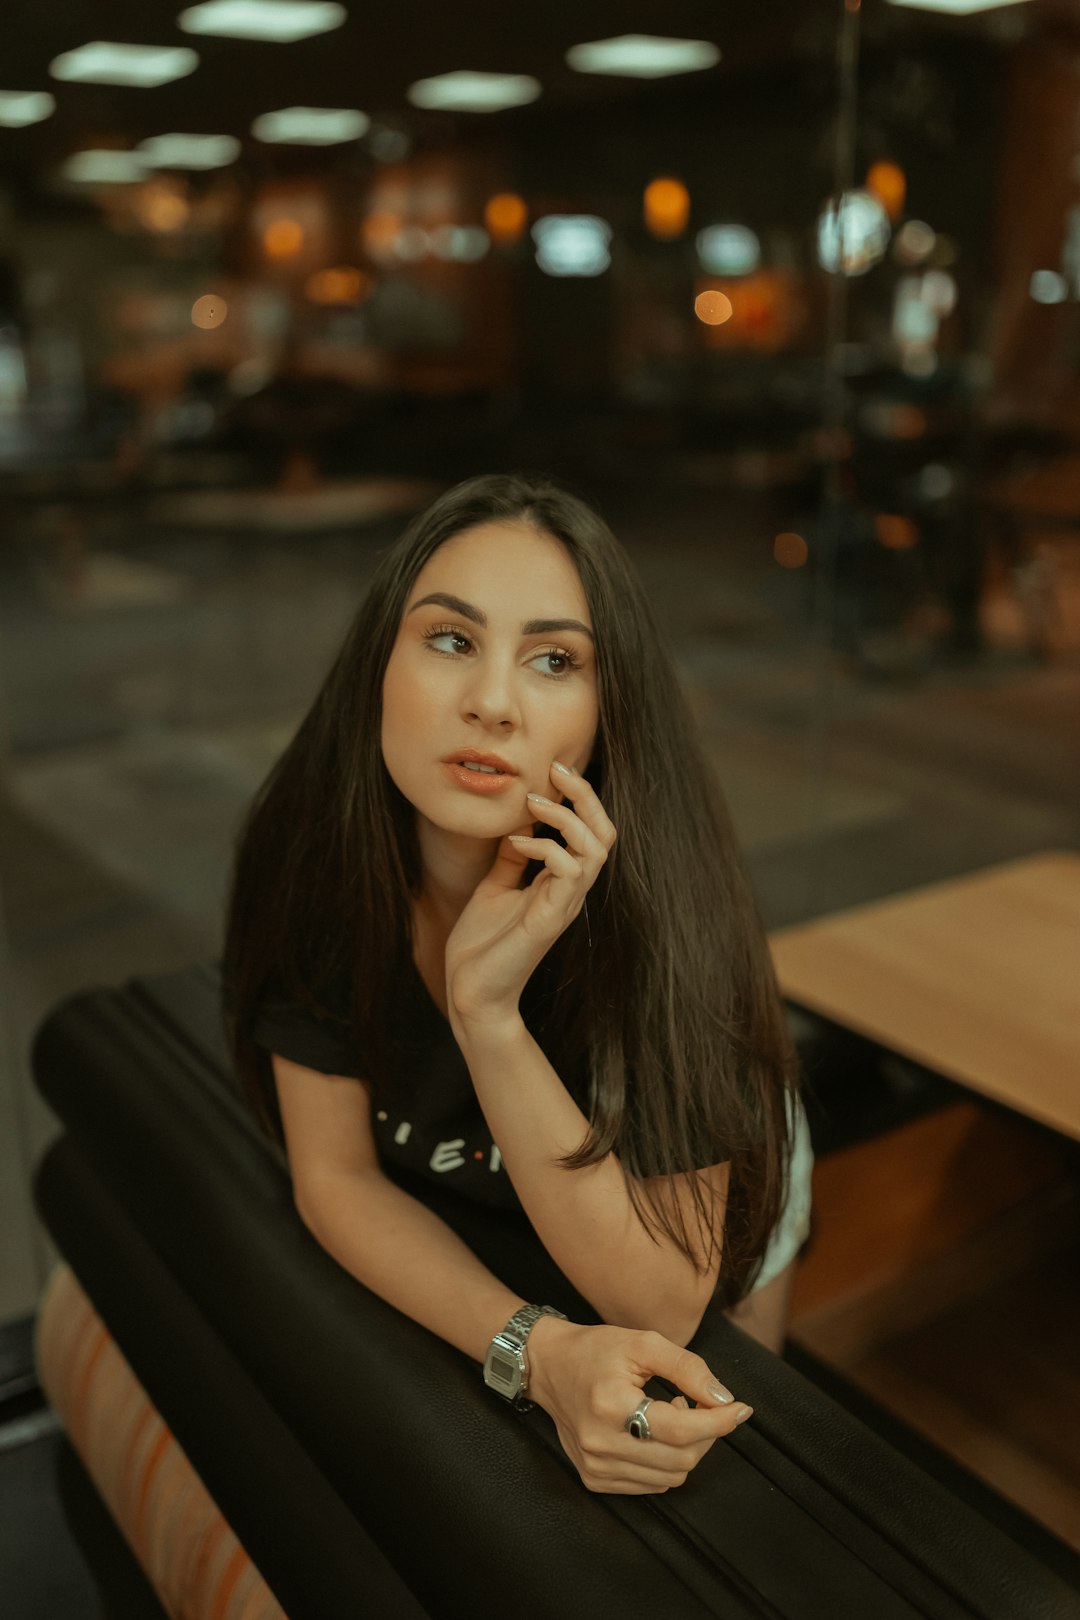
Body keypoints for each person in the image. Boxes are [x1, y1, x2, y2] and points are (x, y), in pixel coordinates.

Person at [222, 472, 813, 1497]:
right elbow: (337, 1177)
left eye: (553, 661)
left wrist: (487, 1014)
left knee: (730, 1459)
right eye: (450, 640)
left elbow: (663, 1301)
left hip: (716, 1202)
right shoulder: (318, 863)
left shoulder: (670, 918)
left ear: (603, 711)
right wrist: (534, 1352)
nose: (491, 701)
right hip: (508, 1216)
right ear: (380, 667)